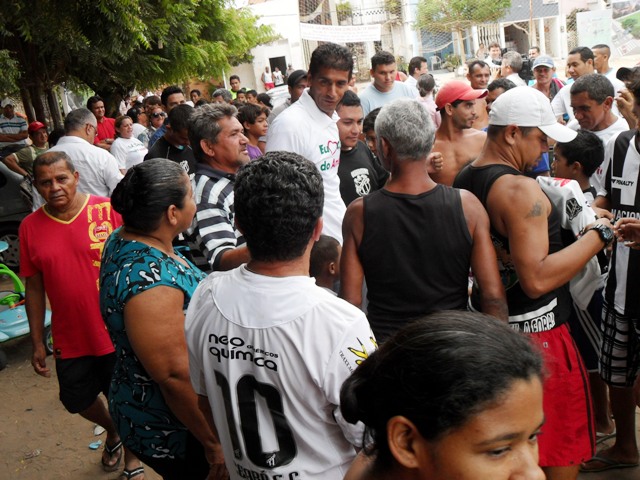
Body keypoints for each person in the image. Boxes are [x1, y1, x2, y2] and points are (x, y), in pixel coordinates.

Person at [454, 86, 616, 480]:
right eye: (540, 138)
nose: (544, 150)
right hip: (540, 339)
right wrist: (601, 235)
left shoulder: (465, 176)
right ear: (511, 133)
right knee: (556, 454)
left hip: (492, 333)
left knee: (506, 455)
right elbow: (537, 278)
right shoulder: (519, 188)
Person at [185, 152, 377, 479]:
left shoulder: (206, 295)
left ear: (239, 225)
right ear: (318, 229)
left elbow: (204, 399)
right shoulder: (340, 322)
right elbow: (372, 441)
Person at [341, 99, 506, 342]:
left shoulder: (359, 214)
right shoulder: (467, 206)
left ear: (385, 147)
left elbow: (351, 304)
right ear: (429, 143)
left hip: (389, 353)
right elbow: (492, 295)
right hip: (452, 347)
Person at [100, 159, 226, 480]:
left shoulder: (127, 236)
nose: (195, 204)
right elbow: (173, 375)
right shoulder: (151, 286)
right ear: (172, 213)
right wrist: (212, 442)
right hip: (171, 427)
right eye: (190, 196)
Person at [20, 151, 142, 477]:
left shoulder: (107, 210)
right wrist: (35, 341)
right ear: (36, 186)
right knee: (75, 399)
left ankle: (132, 459)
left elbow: (134, 264)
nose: (55, 187)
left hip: (116, 329)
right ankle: (114, 429)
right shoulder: (30, 228)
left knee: (124, 396)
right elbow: (33, 288)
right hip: (70, 335)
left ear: (75, 176)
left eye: (61, 179)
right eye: (45, 182)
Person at [340, 311, 545, 480]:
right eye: (498, 451)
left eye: (533, 436)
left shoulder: (373, 461)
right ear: (407, 443)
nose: (536, 474)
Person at [585, 81, 640, 473]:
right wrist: (592, 214)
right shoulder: (620, 147)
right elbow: (607, 199)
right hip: (620, 286)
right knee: (617, 372)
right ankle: (624, 446)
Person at [552, 130, 616, 444]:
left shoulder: (578, 202)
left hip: (586, 293)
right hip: (580, 291)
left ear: (576, 167)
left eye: (557, 159)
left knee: (593, 361)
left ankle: (603, 422)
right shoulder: (577, 195)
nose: (551, 164)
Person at [266, 42, 353, 243]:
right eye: (325, 82)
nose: (332, 92)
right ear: (310, 79)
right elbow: (278, 198)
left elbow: (329, 186)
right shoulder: (289, 125)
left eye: (340, 84)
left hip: (339, 238)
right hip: (312, 249)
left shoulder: (329, 120)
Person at [186, 103, 250, 272]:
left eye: (242, 132)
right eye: (234, 134)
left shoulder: (239, 177)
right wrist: (277, 242)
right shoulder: (207, 194)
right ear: (208, 147)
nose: (245, 140)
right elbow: (222, 260)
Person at [569, 73, 629, 195]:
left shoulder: (624, 135)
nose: (577, 116)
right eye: (574, 109)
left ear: (607, 103)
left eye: (584, 109)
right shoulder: (572, 130)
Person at [48, 107, 123, 198]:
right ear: (88, 128)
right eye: (96, 132)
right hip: (98, 210)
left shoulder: (44, 159)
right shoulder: (102, 157)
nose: (95, 136)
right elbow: (120, 192)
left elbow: (38, 205)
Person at [336, 91, 389, 206]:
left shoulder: (362, 147)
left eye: (359, 121)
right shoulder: (324, 159)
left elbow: (385, 181)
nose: (356, 130)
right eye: (348, 123)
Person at [431, 80, 487, 186]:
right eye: (468, 105)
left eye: (473, 105)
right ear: (449, 109)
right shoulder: (426, 147)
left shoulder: (483, 140)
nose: (474, 111)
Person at [358, 51, 418, 116]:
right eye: (382, 73)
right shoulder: (363, 99)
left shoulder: (407, 90)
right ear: (372, 73)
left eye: (392, 72)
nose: (388, 77)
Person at [144, 104, 196, 175]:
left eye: (192, 137)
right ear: (169, 129)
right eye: (184, 138)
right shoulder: (156, 157)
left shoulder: (194, 146)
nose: (189, 142)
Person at [466, 60, 492, 129]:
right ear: (468, 77)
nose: (483, 80)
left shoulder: (493, 95)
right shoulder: (464, 100)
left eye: (486, 75)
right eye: (479, 76)